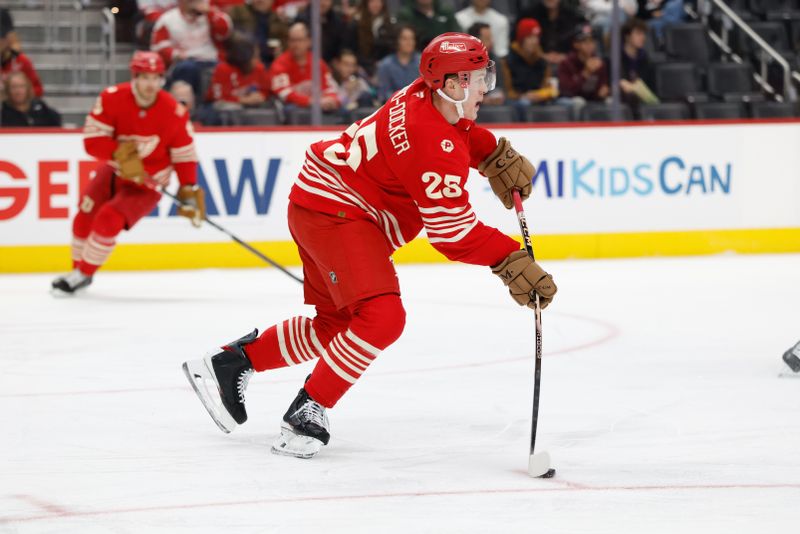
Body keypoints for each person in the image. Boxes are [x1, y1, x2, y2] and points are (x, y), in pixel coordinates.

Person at [182, 32, 557, 459]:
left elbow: (457, 132)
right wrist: (510, 259)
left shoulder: (422, 93)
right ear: (451, 85)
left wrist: (491, 153)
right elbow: (452, 234)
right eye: (478, 79)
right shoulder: (434, 144)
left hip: (319, 202)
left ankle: (230, 363)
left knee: (338, 326)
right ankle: (308, 410)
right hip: (338, 214)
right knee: (382, 316)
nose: (485, 89)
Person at [51, 52, 205, 295]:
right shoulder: (112, 98)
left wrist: (188, 187)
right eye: (145, 78)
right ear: (134, 77)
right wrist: (120, 154)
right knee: (84, 216)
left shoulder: (174, 112)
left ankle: (84, 274)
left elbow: (184, 155)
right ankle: (76, 271)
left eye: (156, 78)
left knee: (108, 218)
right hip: (114, 172)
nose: (151, 84)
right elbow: (92, 141)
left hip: (148, 184)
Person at [151, 0, 232, 98]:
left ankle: (215, 104)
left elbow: (224, 32)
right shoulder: (168, 19)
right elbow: (158, 46)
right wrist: (176, 54)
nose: (195, 3)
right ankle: (187, 106)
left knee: (224, 69)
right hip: (183, 61)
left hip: (210, 59)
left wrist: (209, 12)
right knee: (188, 68)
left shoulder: (211, 16)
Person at [269, 21, 340, 111]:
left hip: (319, 106)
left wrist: (331, 100)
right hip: (294, 108)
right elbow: (284, 93)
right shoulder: (280, 63)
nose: (295, 44)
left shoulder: (318, 63)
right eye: (292, 40)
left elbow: (330, 88)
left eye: (299, 40)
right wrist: (311, 101)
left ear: (309, 41)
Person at [504, 18, 559, 120]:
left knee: (566, 103)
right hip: (517, 101)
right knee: (524, 104)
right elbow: (507, 91)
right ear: (521, 39)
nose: (534, 41)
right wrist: (523, 96)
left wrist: (540, 95)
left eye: (536, 37)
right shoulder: (508, 60)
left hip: (540, 99)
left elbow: (550, 87)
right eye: (530, 37)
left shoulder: (542, 60)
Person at [518, 0, 586, 66]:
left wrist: (567, 56)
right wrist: (540, 55)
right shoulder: (528, 15)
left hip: (569, 64)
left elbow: (585, 42)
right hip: (535, 64)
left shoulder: (575, 16)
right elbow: (517, 43)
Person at [228, 0, 289, 68]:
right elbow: (230, 35)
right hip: (244, 64)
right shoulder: (239, 12)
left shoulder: (279, 18)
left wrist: (281, 53)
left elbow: (287, 44)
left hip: (271, 64)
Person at [350, 0, 397, 78]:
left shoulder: (389, 24)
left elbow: (391, 48)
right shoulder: (355, 24)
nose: (376, 4)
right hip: (360, 68)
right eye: (372, 1)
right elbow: (350, 49)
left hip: (385, 67)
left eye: (379, 1)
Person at [376, 25, 421, 102]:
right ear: (396, 41)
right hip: (394, 107)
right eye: (404, 39)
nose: (409, 42)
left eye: (412, 39)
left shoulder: (422, 61)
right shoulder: (386, 65)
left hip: (419, 105)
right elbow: (384, 93)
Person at [467, 22, 506, 105]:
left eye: (491, 38)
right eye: (487, 39)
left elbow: (499, 87)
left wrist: (498, 96)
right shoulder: (463, 61)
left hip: (491, 102)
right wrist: (482, 99)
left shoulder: (494, 59)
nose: (491, 42)